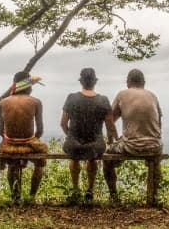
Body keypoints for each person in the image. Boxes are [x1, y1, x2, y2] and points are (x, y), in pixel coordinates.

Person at [103, 68, 163, 202]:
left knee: (107, 158)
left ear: (127, 82)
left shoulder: (122, 95)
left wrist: (112, 140)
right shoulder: (152, 96)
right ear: (144, 83)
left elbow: (109, 120)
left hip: (130, 146)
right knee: (156, 160)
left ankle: (113, 195)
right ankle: (154, 196)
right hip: (154, 146)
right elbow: (159, 123)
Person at [60, 68, 117, 203]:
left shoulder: (71, 98)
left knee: (74, 159)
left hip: (73, 144)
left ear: (81, 82)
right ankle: (90, 190)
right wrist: (113, 140)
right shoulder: (103, 100)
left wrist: (71, 136)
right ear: (94, 82)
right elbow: (110, 126)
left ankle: (75, 189)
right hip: (95, 145)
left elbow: (63, 123)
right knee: (93, 158)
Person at [0, 71, 48, 202]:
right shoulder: (36, 102)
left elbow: (0, 131)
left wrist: (12, 139)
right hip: (29, 143)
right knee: (41, 163)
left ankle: (15, 197)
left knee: (12, 165)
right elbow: (40, 130)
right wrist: (31, 140)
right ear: (29, 86)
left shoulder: (3, 102)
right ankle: (32, 196)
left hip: (9, 144)